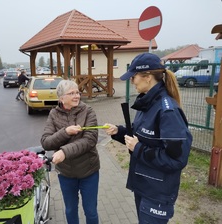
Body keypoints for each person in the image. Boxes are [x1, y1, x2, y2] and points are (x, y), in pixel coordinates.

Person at [104, 53, 192, 224]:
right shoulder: (147, 103)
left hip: (158, 192)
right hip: (143, 186)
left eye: (134, 76)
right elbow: (141, 138)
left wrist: (139, 149)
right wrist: (119, 132)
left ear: (148, 77)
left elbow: (177, 159)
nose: (132, 81)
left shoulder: (168, 111)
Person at [41, 80, 100, 224]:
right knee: (70, 209)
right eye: (71, 93)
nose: (77, 96)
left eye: (77, 92)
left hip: (89, 171)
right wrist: (65, 132)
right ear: (61, 98)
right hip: (66, 173)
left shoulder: (88, 111)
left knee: (91, 211)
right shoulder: (53, 114)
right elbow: (46, 142)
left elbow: (90, 140)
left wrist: (64, 152)